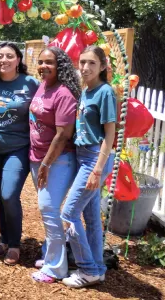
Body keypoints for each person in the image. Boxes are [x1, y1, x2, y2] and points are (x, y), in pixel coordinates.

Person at [61, 45, 117, 288]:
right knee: (91, 217)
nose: (85, 67)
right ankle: (98, 268)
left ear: (103, 66)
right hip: (83, 156)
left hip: (95, 158)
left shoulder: (105, 92)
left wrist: (97, 169)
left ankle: (87, 269)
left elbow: (109, 134)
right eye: (82, 62)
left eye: (92, 63)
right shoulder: (86, 91)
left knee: (69, 214)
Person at [0, 42, 39, 265]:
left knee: (8, 194)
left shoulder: (30, 83)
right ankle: (5, 240)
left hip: (19, 146)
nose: (3, 60)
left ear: (18, 60)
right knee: (0, 195)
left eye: (9, 56)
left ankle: (15, 244)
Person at [28, 47, 81, 283]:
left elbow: (63, 134)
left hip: (56, 160)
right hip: (37, 158)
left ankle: (56, 268)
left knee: (49, 210)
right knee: (49, 210)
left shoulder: (64, 93)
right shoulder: (44, 86)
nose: (43, 66)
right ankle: (50, 256)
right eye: (40, 62)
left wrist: (46, 164)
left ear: (61, 65)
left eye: (49, 62)